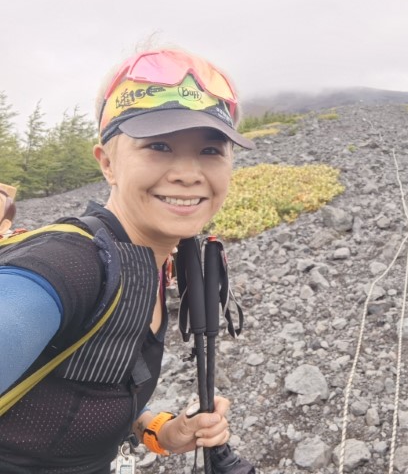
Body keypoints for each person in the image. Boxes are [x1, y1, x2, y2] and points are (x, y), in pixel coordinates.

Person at [0, 48, 256, 473]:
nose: (189, 173)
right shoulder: (69, 266)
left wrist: (159, 428)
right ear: (107, 164)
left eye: (212, 150)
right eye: (158, 145)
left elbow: (83, 383)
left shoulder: (144, 262)